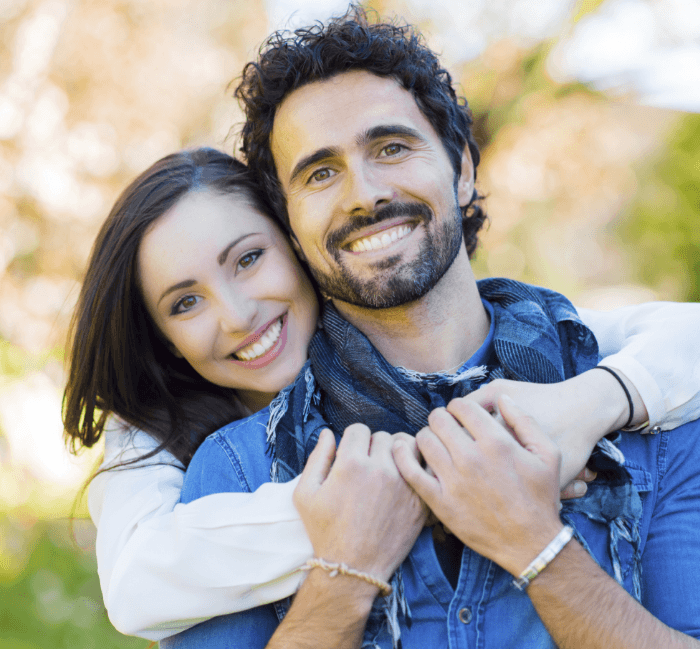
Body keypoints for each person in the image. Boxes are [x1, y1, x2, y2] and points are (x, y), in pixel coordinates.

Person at [170, 7, 700, 649]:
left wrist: (536, 547)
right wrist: (344, 578)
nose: (364, 193)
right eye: (320, 172)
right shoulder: (238, 471)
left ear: (464, 170)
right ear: (290, 228)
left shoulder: (654, 420)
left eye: (391, 147)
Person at [68, 148, 700, 644]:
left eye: (248, 259)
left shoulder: (545, 349)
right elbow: (135, 585)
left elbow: (675, 338)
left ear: (296, 241)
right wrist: (395, 509)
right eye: (185, 303)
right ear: (166, 341)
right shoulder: (188, 456)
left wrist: (592, 402)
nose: (234, 315)